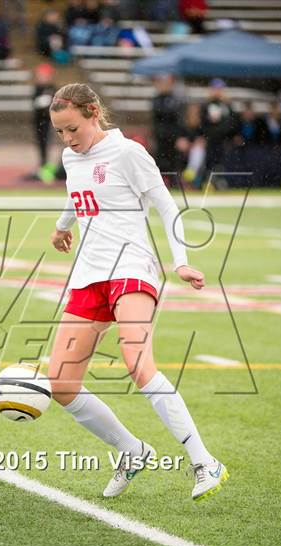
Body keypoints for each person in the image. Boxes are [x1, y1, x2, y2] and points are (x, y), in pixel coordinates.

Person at [47, 83, 229, 501]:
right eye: (60, 133)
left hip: (132, 267)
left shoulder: (129, 152)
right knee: (61, 384)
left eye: (72, 128)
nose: (67, 139)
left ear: (94, 112)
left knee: (137, 362)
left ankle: (205, 462)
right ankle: (131, 450)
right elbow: (79, 197)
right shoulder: (71, 156)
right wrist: (61, 227)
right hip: (89, 274)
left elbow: (167, 207)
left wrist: (180, 261)